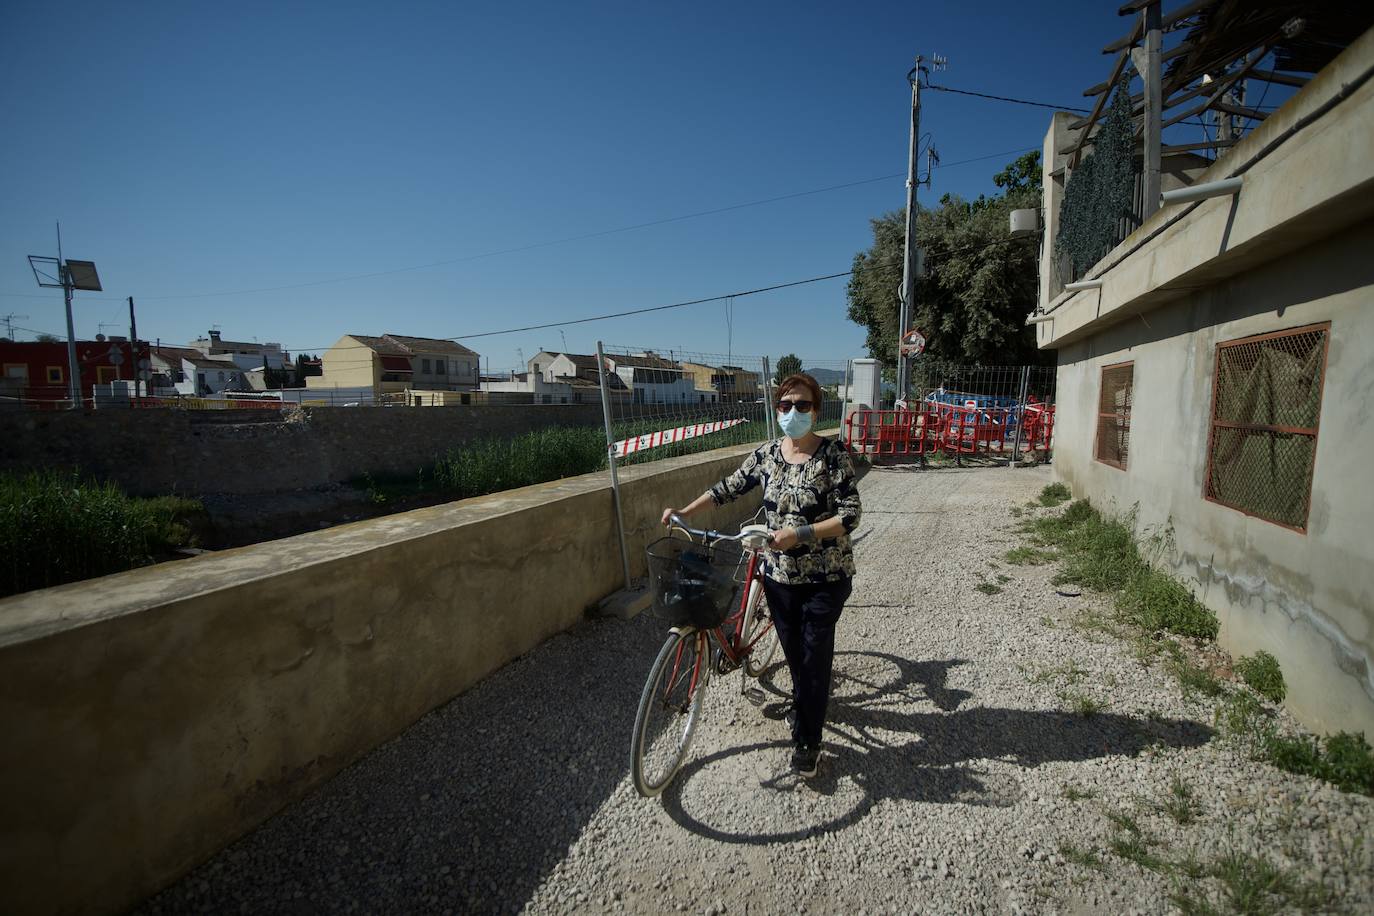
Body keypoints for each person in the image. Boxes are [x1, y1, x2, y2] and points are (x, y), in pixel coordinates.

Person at [660, 373, 862, 777]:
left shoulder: (833, 455)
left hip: (826, 576)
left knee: (813, 656)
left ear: (816, 409)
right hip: (779, 577)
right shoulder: (768, 454)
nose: (792, 412)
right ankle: (805, 703)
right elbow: (727, 488)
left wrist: (800, 534)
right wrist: (684, 511)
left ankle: (808, 741)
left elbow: (850, 515)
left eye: (802, 405)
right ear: (777, 409)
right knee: (794, 655)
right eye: (785, 406)